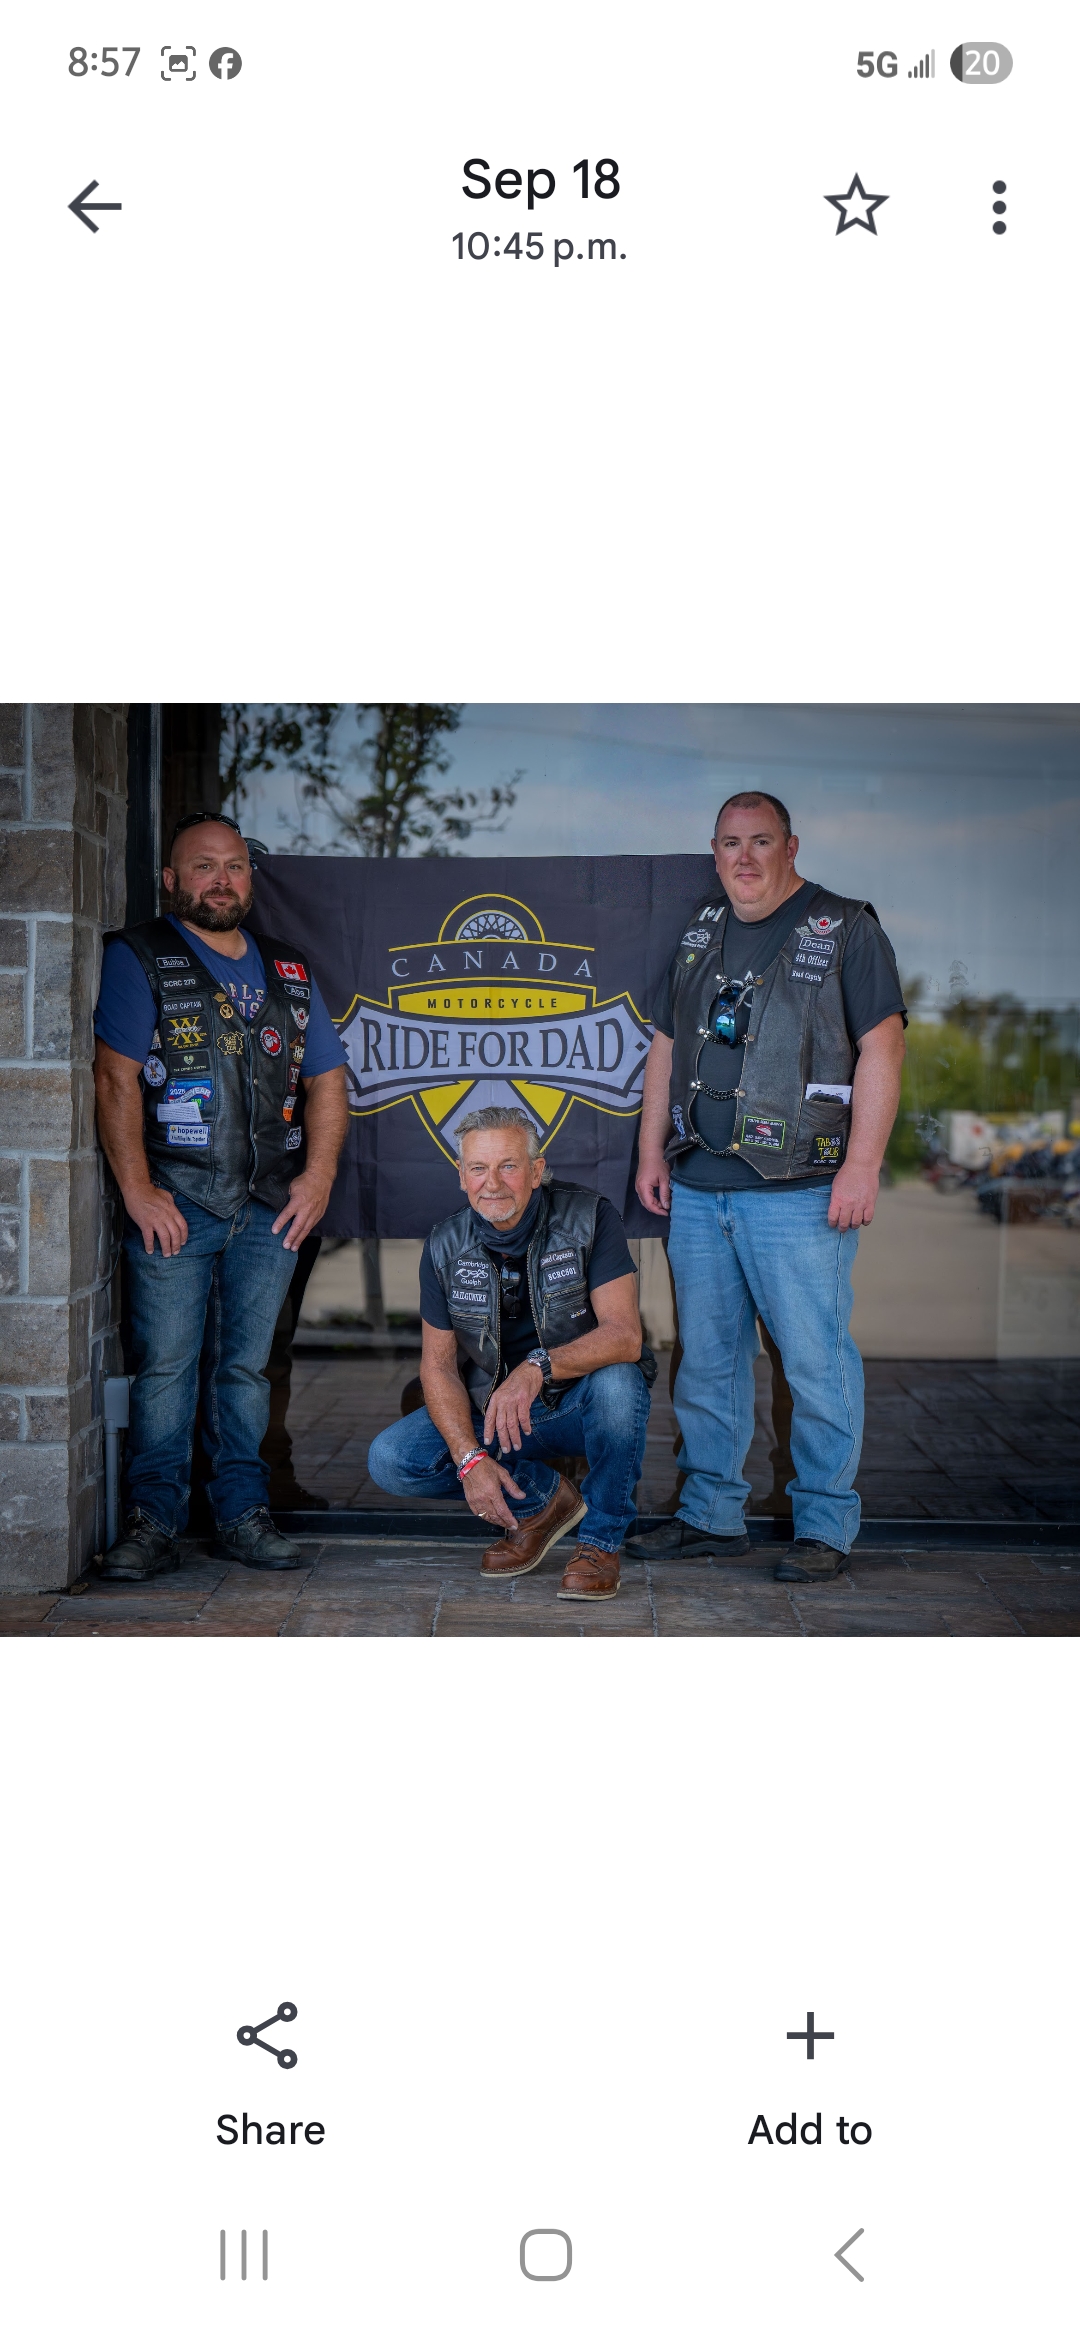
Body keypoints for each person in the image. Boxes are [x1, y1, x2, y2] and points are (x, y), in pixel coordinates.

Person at [631, 790, 907, 1583]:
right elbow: (665, 1045)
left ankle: (824, 1524)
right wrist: (652, 1154)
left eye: (760, 841)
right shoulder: (701, 930)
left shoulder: (846, 927)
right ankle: (711, 1515)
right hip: (698, 1185)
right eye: (730, 843)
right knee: (708, 1363)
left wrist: (862, 1163)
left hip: (800, 1189)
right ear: (714, 853)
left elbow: (883, 1048)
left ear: (791, 847)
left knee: (816, 1362)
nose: (743, 857)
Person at [93, 811, 349, 1579]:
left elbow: (327, 1081)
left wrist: (319, 1176)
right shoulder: (140, 955)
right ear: (171, 879)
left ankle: (242, 1514)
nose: (221, 880)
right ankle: (153, 1523)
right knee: (167, 1369)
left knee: (244, 1370)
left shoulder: (288, 969)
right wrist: (137, 1189)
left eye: (234, 866)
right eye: (203, 866)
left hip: (268, 1208)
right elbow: (115, 1079)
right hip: (177, 1202)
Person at [367, 1106, 653, 1600]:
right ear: (462, 1176)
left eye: (509, 1166)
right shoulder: (444, 1245)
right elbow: (437, 1366)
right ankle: (542, 1504)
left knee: (620, 1384)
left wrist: (536, 1367)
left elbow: (625, 1337)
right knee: (392, 1459)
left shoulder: (589, 1217)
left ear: (537, 1171)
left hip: (574, 1407)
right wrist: (468, 1458)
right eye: (478, 1168)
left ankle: (600, 1543)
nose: (492, 1183)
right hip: (497, 1417)